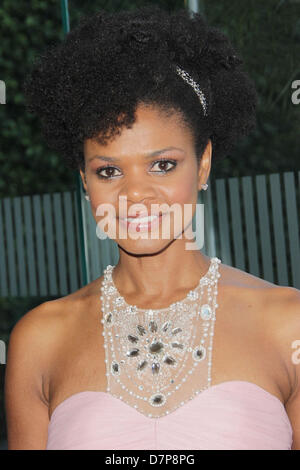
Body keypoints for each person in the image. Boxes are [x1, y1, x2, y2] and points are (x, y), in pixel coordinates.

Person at [5, 6, 300, 450]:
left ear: (203, 165)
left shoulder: (288, 323)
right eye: (108, 172)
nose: (135, 194)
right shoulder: (40, 339)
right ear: (84, 181)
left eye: (162, 165)